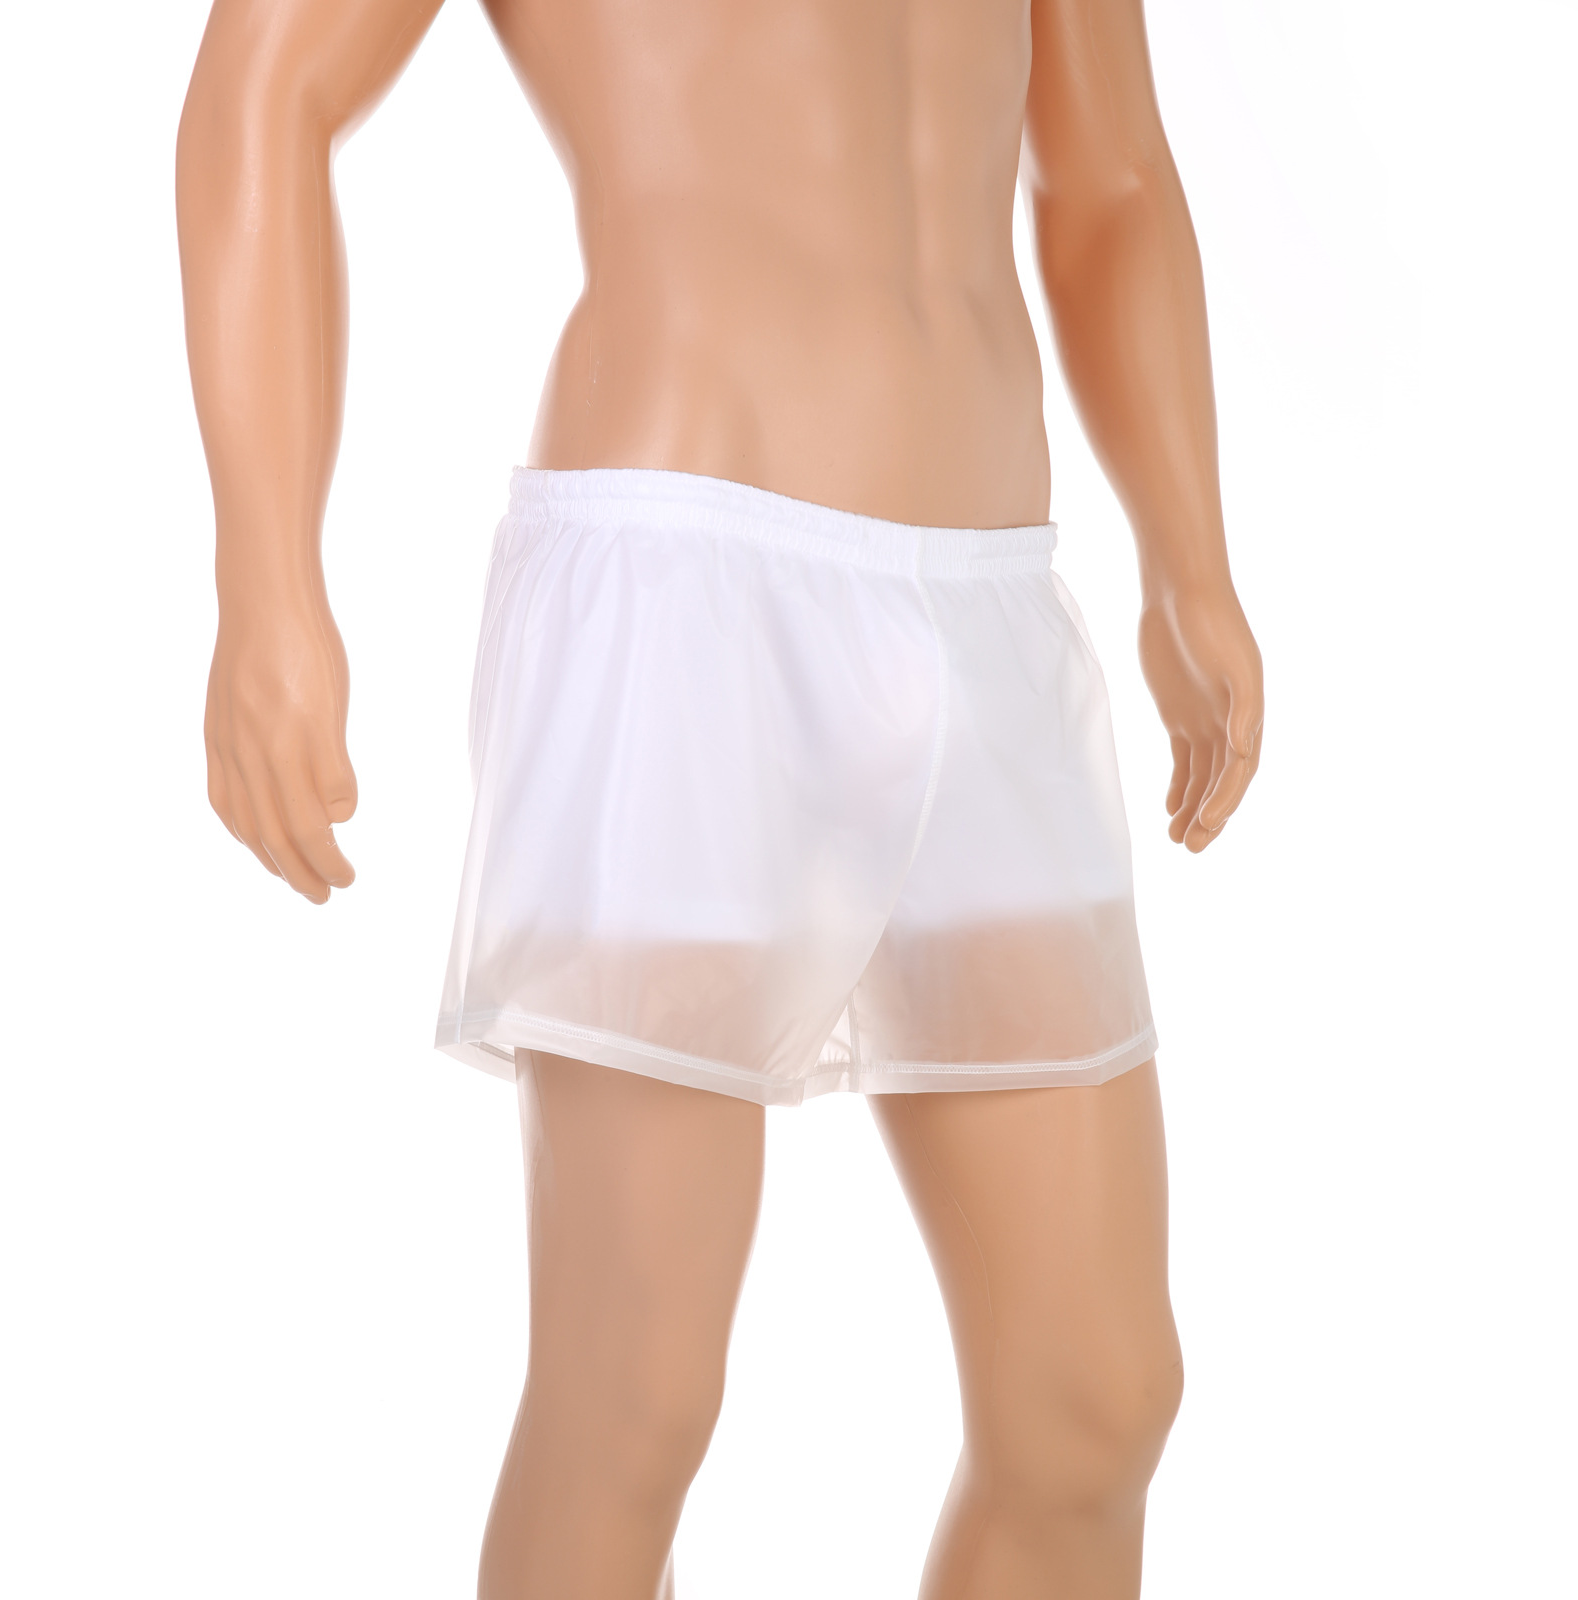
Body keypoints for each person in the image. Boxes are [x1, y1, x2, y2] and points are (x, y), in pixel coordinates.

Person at [176, 0, 1263, 1592]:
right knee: (635, 1394)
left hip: (991, 609)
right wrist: (265, 582)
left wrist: (1190, 558)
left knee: (1092, 1396)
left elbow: (1110, 178)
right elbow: (263, 90)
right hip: (678, 591)